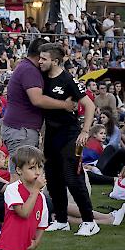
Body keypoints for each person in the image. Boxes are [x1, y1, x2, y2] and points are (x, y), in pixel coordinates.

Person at [38, 43, 98, 236]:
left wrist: (85, 131)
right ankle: (62, 220)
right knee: (54, 179)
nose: (40, 62)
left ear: (55, 61)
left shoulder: (68, 80)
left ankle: (89, 222)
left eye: (44, 59)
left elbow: (89, 105)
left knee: (73, 178)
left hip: (70, 134)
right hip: (51, 136)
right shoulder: (42, 78)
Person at [2, 38, 75, 178]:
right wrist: (65, 105)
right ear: (40, 55)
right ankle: (15, 201)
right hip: (21, 131)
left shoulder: (27, 67)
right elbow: (37, 99)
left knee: (23, 177)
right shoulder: (29, 70)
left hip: (20, 129)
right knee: (21, 178)